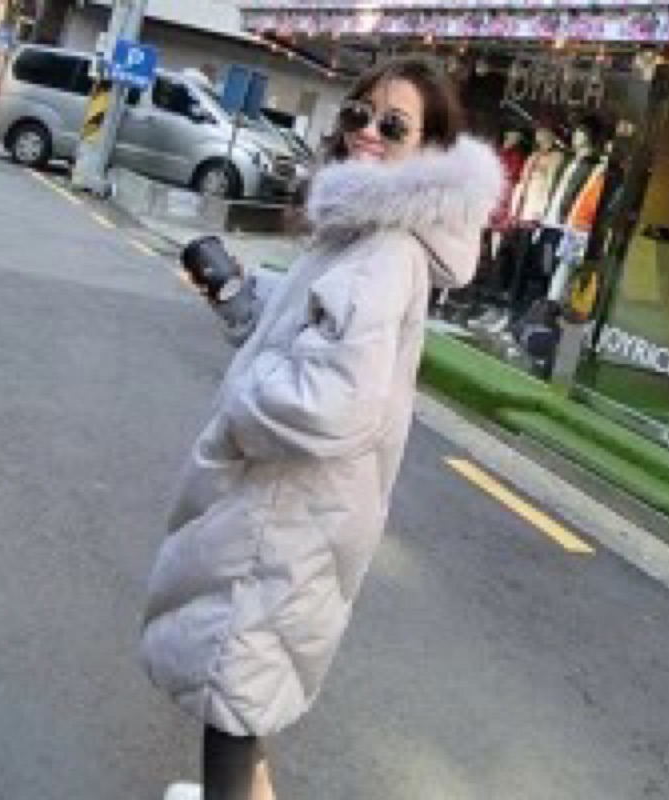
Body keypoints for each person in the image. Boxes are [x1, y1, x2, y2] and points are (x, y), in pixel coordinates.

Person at [141, 56, 504, 800]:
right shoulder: (366, 230)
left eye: (394, 126)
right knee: (249, 675)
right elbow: (319, 329)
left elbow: (333, 400)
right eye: (359, 114)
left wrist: (242, 403)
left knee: (233, 689)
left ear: (430, 149)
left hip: (284, 510)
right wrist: (249, 302)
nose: (368, 132)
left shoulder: (384, 248)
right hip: (300, 507)